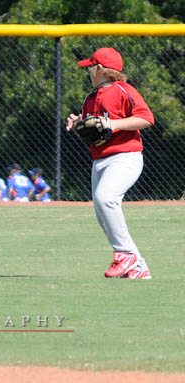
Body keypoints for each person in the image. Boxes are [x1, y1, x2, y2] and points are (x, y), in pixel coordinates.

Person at [66, 47, 154, 279]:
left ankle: (125, 254)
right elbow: (92, 128)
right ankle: (138, 267)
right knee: (101, 212)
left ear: (100, 69)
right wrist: (77, 122)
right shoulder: (90, 98)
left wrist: (113, 125)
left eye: (90, 67)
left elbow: (146, 118)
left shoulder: (123, 90)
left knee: (106, 199)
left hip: (125, 157)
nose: (88, 72)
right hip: (100, 161)